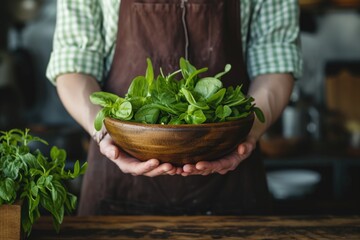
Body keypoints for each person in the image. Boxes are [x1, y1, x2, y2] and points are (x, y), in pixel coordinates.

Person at [47, 0, 302, 215]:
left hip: (232, 179)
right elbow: (74, 65)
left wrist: (250, 131)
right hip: (118, 185)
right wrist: (104, 132)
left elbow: (275, 60)